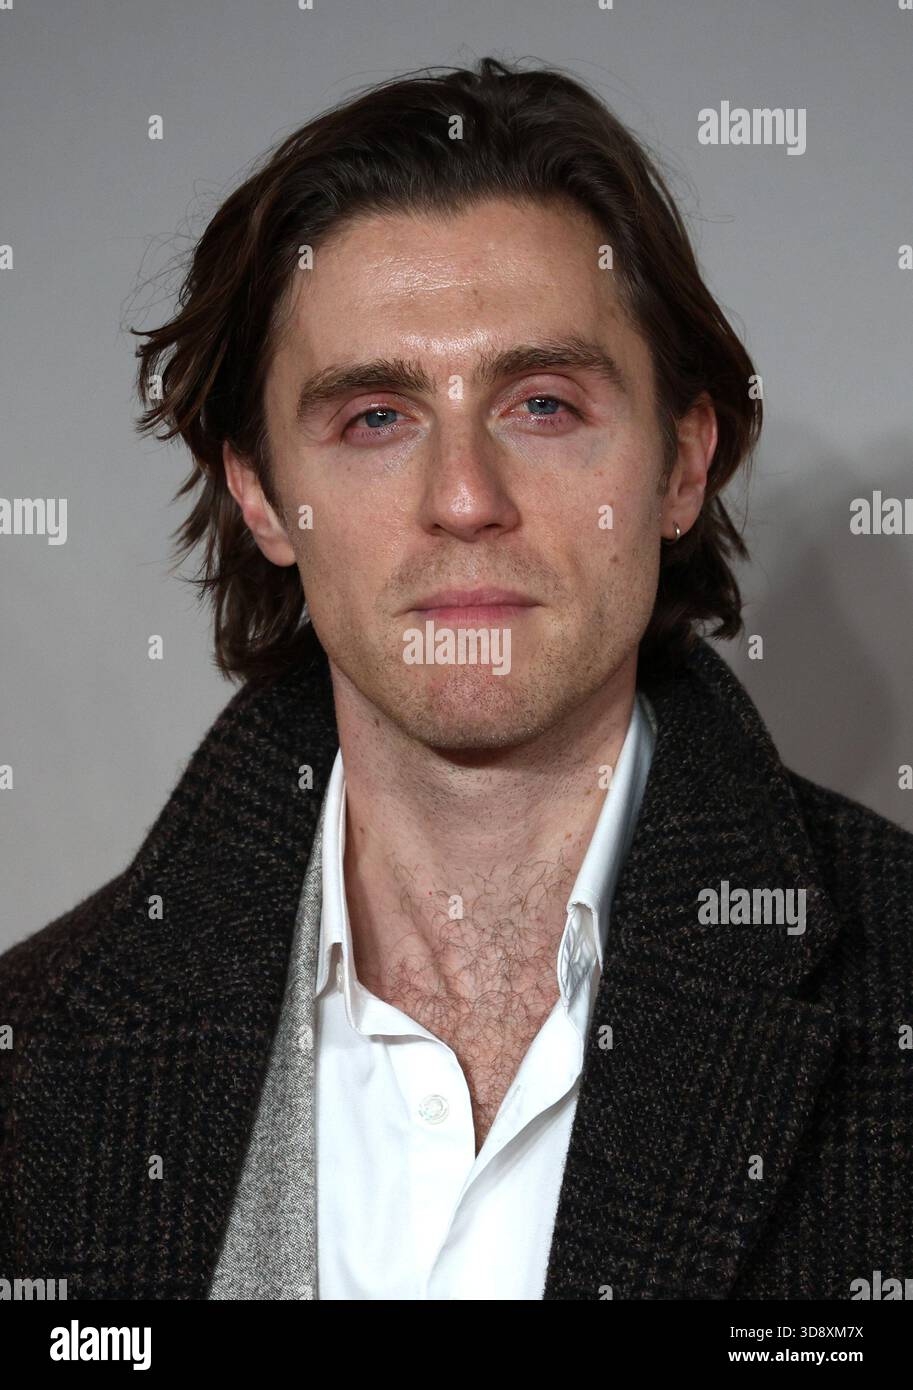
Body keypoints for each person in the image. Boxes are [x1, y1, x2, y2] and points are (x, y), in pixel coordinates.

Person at [2, 57, 911, 1302]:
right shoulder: (32, 1054)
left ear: (681, 465)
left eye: (541, 404)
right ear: (261, 495)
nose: (466, 499)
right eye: (375, 417)